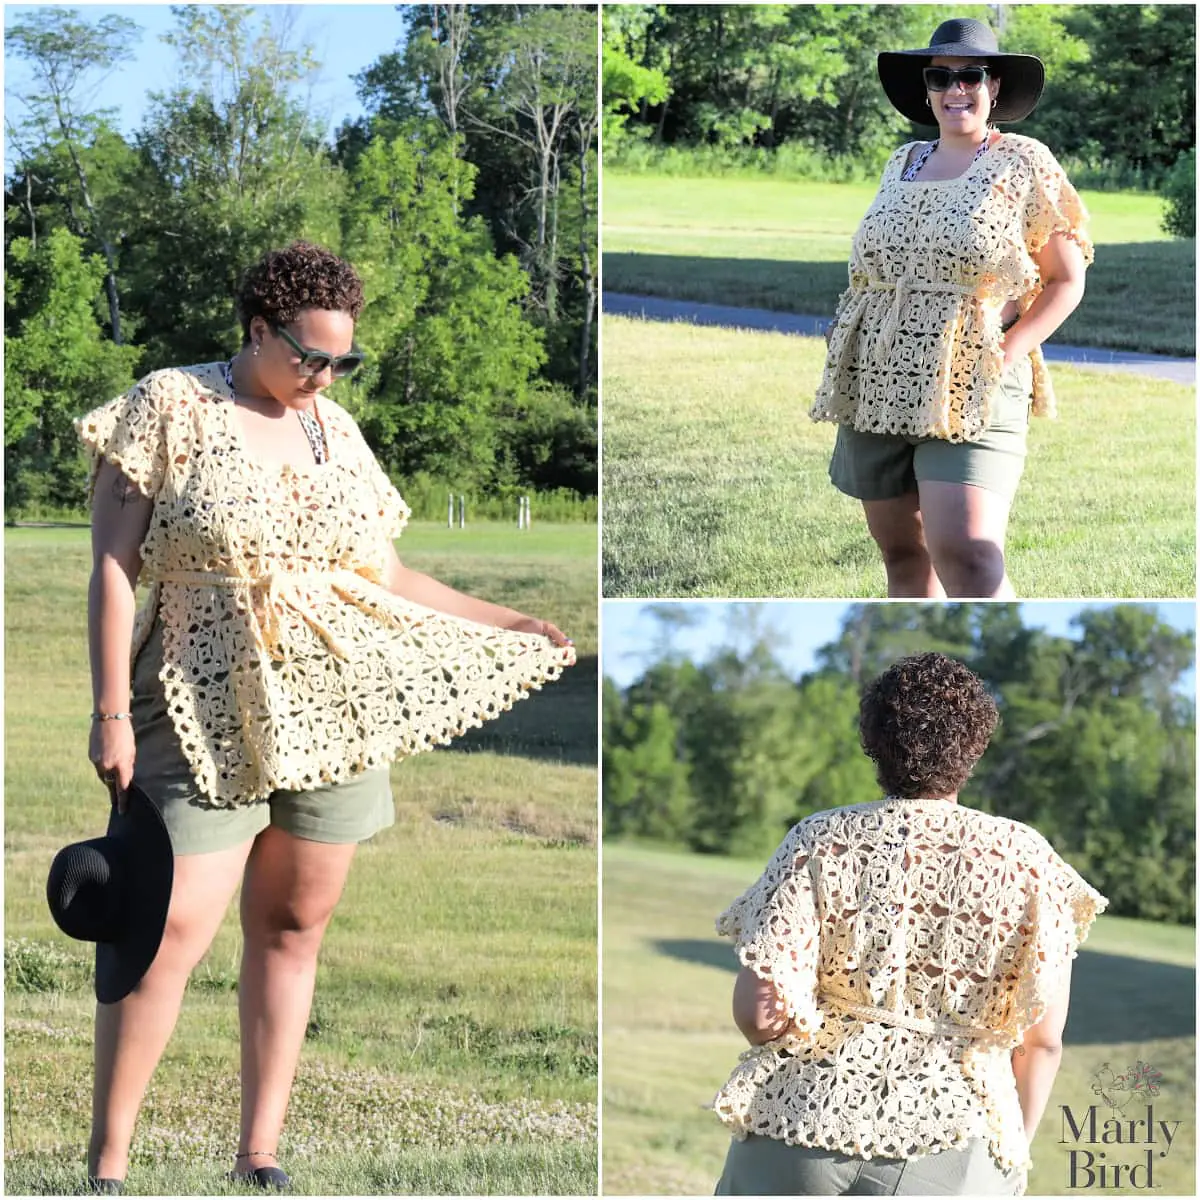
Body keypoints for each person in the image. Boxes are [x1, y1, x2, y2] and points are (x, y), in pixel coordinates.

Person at [76, 240, 576, 1194]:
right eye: (309, 355)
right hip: (194, 694)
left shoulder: (333, 431)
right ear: (257, 331)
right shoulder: (169, 403)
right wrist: (107, 712)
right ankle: (109, 1164)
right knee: (162, 925)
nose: (325, 375)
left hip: (335, 710)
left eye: (342, 359)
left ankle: (258, 1153)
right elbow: (111, 566)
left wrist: (506, 618)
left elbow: (382, 575)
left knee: (297, 921)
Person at [711, 652, 1107, 1197]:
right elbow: (1041, 1044)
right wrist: (1011, 1150)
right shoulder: (1028, 859)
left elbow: (759, 1013)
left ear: (874, 741)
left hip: (800, 1120)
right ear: (975, 746)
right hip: (954, 1145)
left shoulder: (820, 839)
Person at [812, 18, 1092, 599]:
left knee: (968, 556)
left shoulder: (1023, 162)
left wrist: (1005, 353)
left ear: (993, 86)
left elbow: (1067, 280)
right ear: (926, 88)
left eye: (969, 76)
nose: (954, 89)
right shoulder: (902, 161)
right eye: (941, 77)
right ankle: (917, 661)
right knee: (903, 557)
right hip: (876, 378)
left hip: (971, 379)